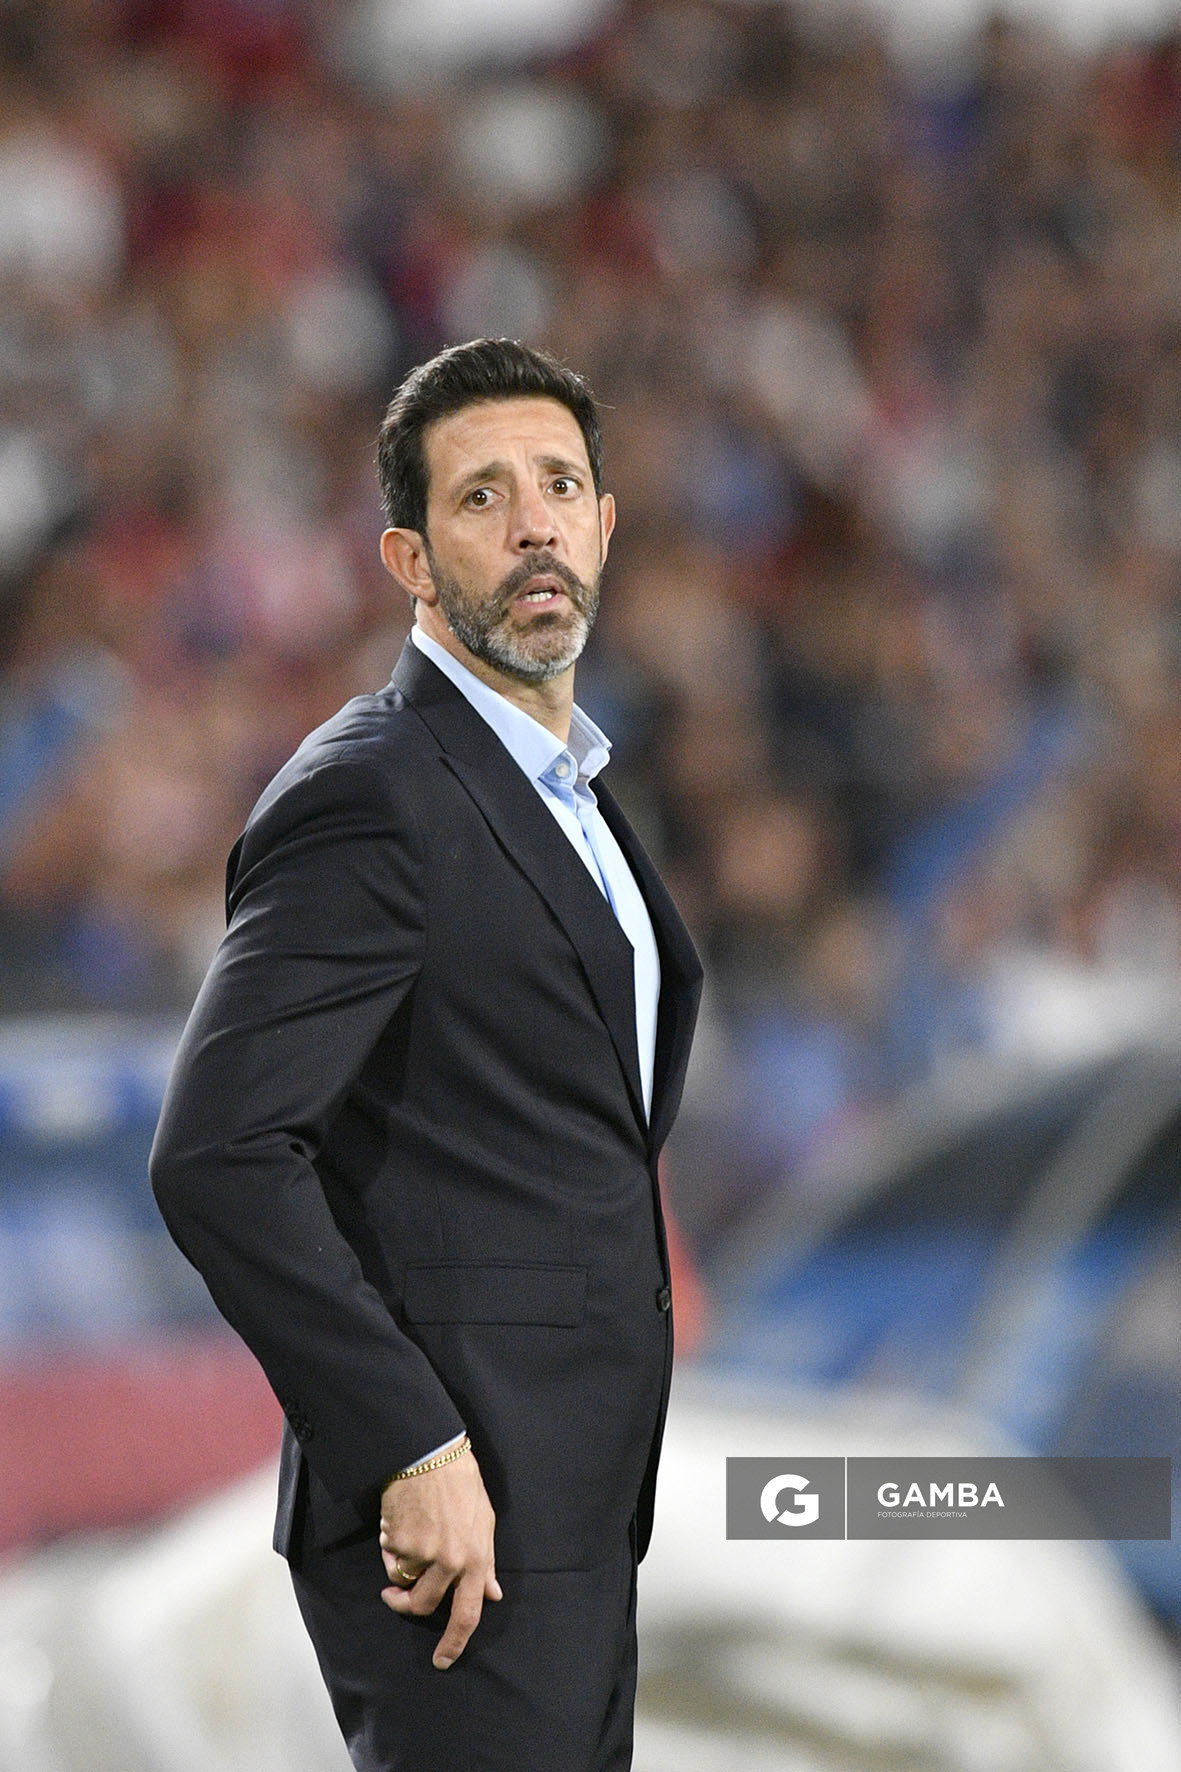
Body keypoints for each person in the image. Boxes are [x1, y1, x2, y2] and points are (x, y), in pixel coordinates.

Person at [150, 337, 702, 1772]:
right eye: (480, 497)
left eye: (559, 486)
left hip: (573, 1506)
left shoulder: (577, 795)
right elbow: (219, 1154)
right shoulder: (372, 795)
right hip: (457, 1521)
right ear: (408, 558)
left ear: (604, 526)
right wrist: (407, 1445)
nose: (532, 525)